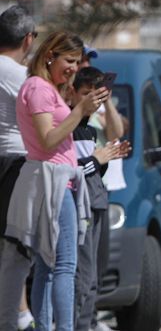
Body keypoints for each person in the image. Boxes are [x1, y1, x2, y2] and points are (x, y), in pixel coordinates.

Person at [15, 31, 106, 331]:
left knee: (48, 267)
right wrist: (80, 110)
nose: (74, 68)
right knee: (65, 265)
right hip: (55, 183)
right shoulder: (39, 89)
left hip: (52, 182)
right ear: (50, 54)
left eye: (77, 62)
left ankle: (46, 327)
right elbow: (48, 138)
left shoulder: (43, 87)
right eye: (69, 60)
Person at [69, 67, 129, 331]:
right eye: (85, 95)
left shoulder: (90, 129)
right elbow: (74, 170)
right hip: (81, 206)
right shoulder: (69, 126)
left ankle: (86, 323)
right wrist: (97, 159)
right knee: (80, 276)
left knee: (92, 275)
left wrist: (105, 158)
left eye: (96, 96)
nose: (91, 101)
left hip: (97, 201)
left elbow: (94, 165)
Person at [0, 4, 38, 331]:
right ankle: (17, 318)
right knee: (17, 248)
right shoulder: (21, 76)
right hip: (14, 164)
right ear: (28, 39)